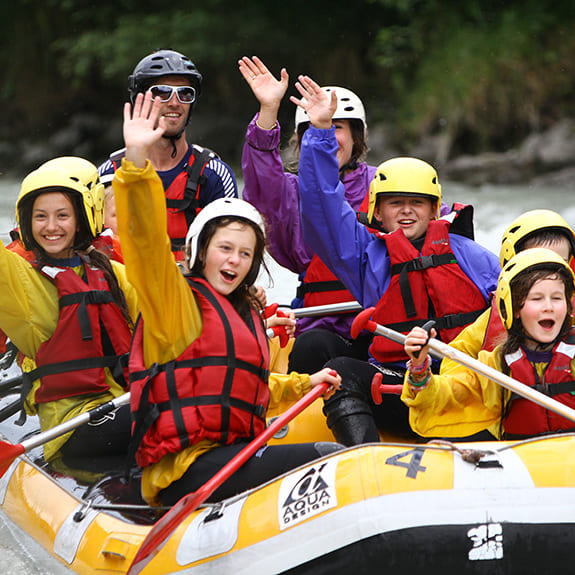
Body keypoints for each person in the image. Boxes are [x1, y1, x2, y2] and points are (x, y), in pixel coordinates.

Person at [114, 90, 343, 506]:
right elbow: (143, 243)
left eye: (245, 253)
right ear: (201, 251)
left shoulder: (247, 314)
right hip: (185, 468)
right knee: (330, 461)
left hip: (234, 455)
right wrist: (136, 163)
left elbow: (246, 386)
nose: (234, 261)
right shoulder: (175, 302)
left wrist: (305, 383)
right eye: (225, 248)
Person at [294, 74, 501, 445]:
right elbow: (321, 203)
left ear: (434, 209)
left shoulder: (472, 256)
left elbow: (516, 302)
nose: (406, 212)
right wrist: (321, 131)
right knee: (340, 370)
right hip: (402, 386)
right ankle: (364, 457)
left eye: (416, 203)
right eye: (395, 203)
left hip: (463, 389)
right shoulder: (365, 256)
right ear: (377, 211)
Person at [239, 56, 376, 375]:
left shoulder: (384, 185)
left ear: (357, 136)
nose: (327, 135)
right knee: (311, 347)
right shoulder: (291, 192)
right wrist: (268, 111)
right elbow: (261, 182)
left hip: (382, 322)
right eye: (317, 127)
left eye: (335, 126)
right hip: (322, 326)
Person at [0, 160, 138, 462]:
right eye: (40, 217)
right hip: (73, 426)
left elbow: (172, 315)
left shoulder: (113, 273)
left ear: (82, 219)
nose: (51, 226)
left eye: (62, 215)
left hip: (123, 404)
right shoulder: (20, 282)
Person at [403, 248, 575, 439]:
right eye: (536, 299)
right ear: (514, 308)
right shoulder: (496, 366)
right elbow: (446, 397)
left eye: (557, 298)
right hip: (525, 461)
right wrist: (419, 369)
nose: (549, 307)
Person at [99, 49, 238, 261]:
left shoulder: (214, 173)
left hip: (192, 289)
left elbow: (233, 251)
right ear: (139, 99)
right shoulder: (109, 173)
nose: (174, 102)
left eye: (185, 93)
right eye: (161, 92)